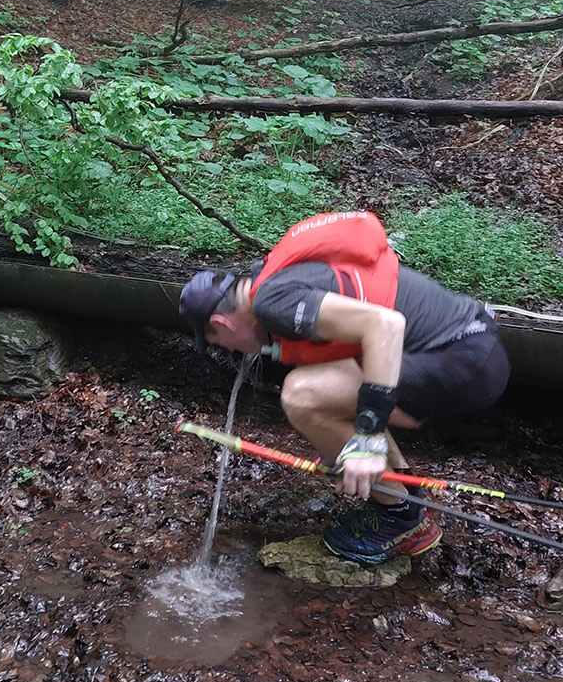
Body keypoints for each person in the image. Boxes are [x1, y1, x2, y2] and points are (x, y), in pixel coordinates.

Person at [178, 210, 509, 565]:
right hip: (472, 345)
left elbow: (385, 325)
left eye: (219, 343)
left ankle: (400, 519)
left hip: (462, 361)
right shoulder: (273, 279)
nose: (230, 351)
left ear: (222, 324)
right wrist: (341, 442)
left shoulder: (273, 302)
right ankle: (405, 492)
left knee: (302, 395)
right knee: (321, 381)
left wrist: (367, 440)